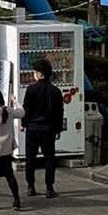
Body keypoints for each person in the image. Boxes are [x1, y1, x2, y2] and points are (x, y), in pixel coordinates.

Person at [20, 54, 66, 199]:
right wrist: (58, 129)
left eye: (35, 72)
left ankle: (30, 186)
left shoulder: (31, 90)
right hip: (49, 129)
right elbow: (59, 112)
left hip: (32, 129)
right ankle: (49, 188)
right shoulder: (56, 91)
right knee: (49, 158)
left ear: (39, 74)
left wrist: (23, 124)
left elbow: (26, 110)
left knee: (30, 158)